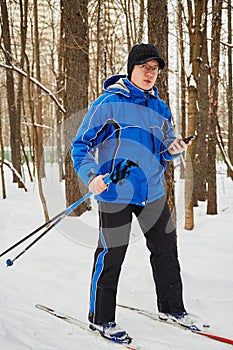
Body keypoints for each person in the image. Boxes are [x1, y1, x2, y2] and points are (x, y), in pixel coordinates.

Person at [71, 43, 192, 344]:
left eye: (155, 69)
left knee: (166, 252)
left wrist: (172, 150)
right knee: (112, 255)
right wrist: (92, 176)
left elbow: (161, 152)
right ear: (131, 69)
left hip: (151, 191)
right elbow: (80, 146)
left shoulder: (160, 108)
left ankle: (172, 309)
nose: (150, 74)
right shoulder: (108, 103)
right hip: (116, 192)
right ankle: (101, 318)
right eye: (145, 67)